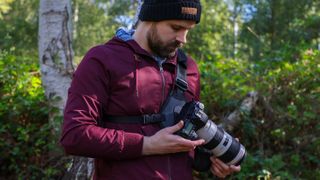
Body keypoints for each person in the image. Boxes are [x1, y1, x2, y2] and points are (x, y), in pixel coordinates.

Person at [60, 0, 241, 179]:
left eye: (188, 30)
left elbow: (184, 139)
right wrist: (147, 144)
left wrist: (211, 161)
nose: (183, 39)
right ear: (150, 18)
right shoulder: (102, 60)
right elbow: (75, 135)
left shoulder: (188, 68)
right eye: (176, 27)